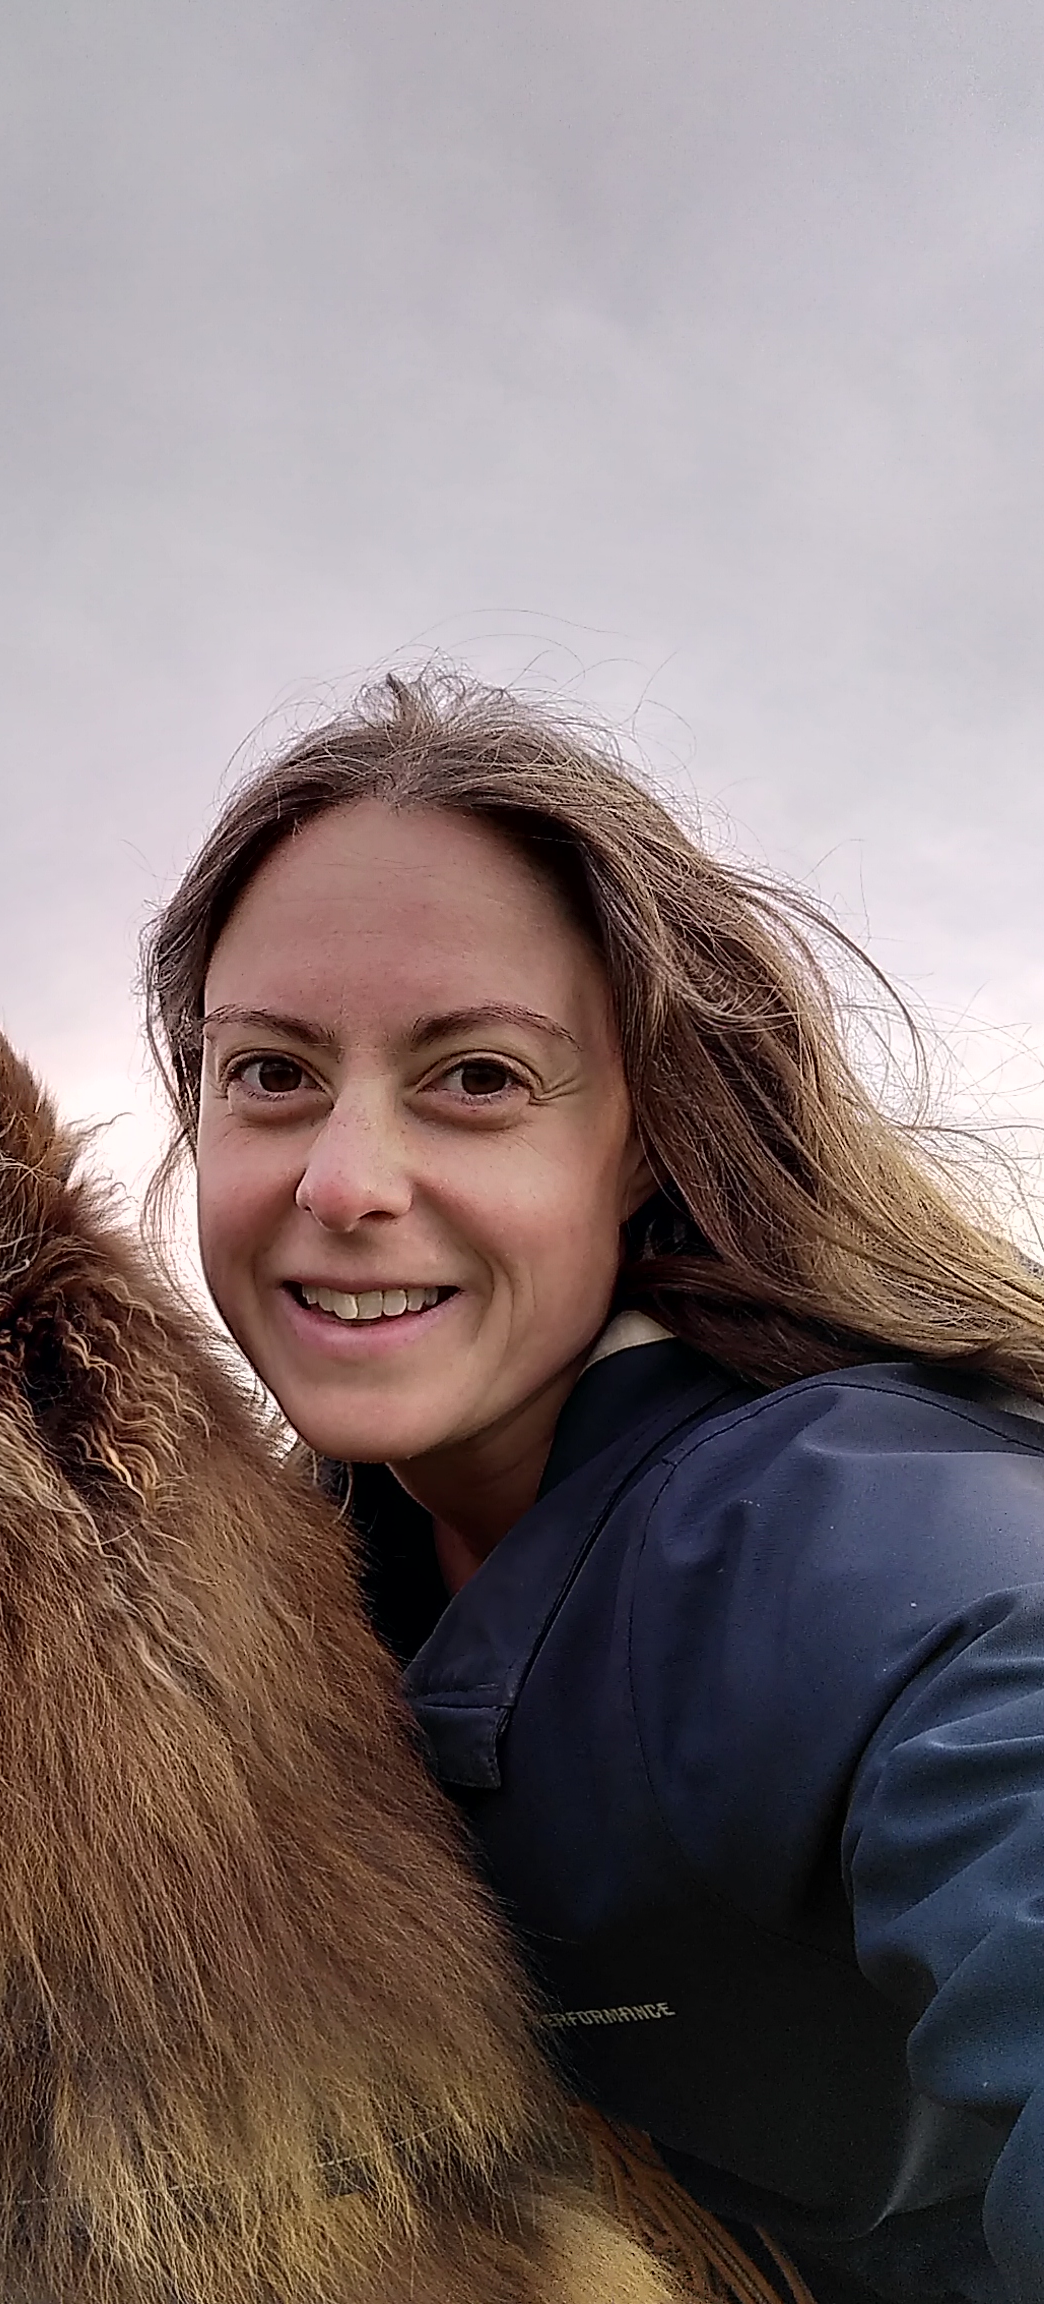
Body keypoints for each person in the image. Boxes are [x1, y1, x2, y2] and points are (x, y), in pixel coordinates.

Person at [141, 671, 1044, 2304]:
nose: (344, 1181)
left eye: (477, 1077)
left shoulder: (847, 1534)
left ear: (642, 1136)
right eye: (269, 1073)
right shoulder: (297, 1576)